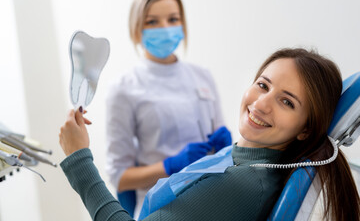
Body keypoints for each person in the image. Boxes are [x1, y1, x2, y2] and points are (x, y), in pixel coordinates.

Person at [59, 48, 360, 220]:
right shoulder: (254, 164)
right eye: (263, 85)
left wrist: (79, 158)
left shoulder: (243, 184)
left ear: (306, 129)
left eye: (286, 101)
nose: (261, 103)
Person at [105, 0, 231, 217]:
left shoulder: (202, 76)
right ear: (136, 29)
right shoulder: (123, 89)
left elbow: (220, 140)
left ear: (182, 25)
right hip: (161, 204)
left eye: (173, 19)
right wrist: (170, 166)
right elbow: (119, 177)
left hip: (211, 193)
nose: (164, 28)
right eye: (152, 22)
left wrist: (228, 147)